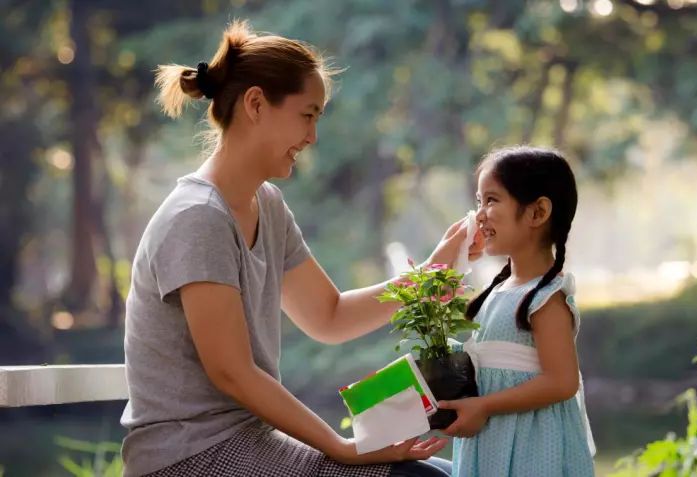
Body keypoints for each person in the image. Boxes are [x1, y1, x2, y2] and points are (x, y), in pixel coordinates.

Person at [120, 19, 480, 477]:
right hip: (188, 458)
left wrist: (428, 278)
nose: (312, 137)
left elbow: (329, 316)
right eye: (307, 115)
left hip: (248, 441)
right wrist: (343, 448)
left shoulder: (266, 205)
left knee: (446, 473)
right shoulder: (198, 218)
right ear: (256, 104)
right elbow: (232, 372)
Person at [437, 146, 596, 476]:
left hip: (533, 448)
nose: (479, 214)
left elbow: (562, 381)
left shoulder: (546, 298)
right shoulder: (497, 291)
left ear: (537, 212)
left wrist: (484, 405)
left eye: (492, 200)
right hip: (491, 443)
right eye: (479, 202)